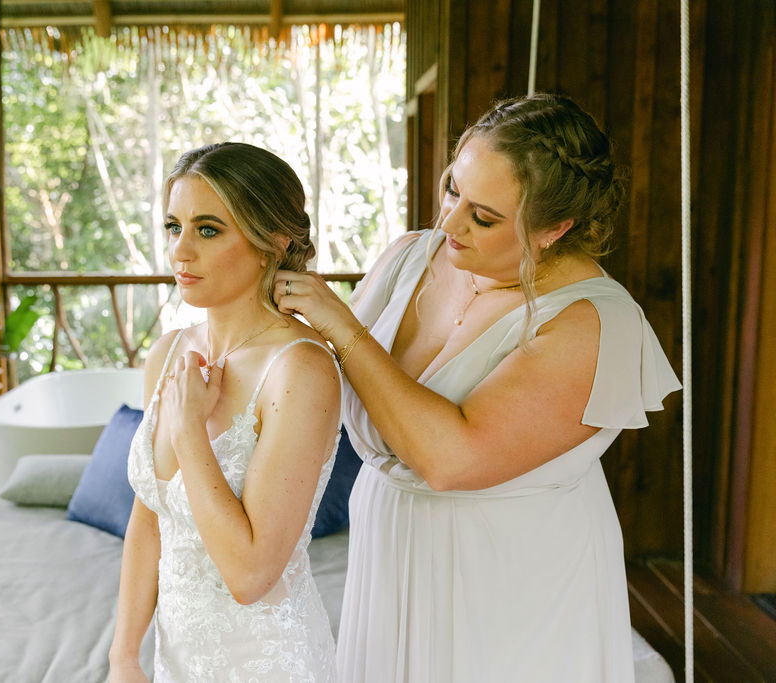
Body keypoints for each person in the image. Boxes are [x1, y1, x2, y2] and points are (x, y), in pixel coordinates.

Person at [275, 93, 681, 682]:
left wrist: (340, 324)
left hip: (504, 577)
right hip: (388, 544)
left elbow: (450, 458)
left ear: (553, 229)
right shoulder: (412, 257)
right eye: (452, 189)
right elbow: (326, 377)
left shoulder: (590, 323)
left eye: (483, 216)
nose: (449, 223)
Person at [109, 142, 342, 682]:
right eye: (174, 226)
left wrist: (189, 430)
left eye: (208, 229)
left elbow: (251, 574)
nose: (180, 251)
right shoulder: (168, 353)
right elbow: (150, 516)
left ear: (271, 243)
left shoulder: (299, 370)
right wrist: (124, 656)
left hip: (263, 662)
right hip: (176, 661)